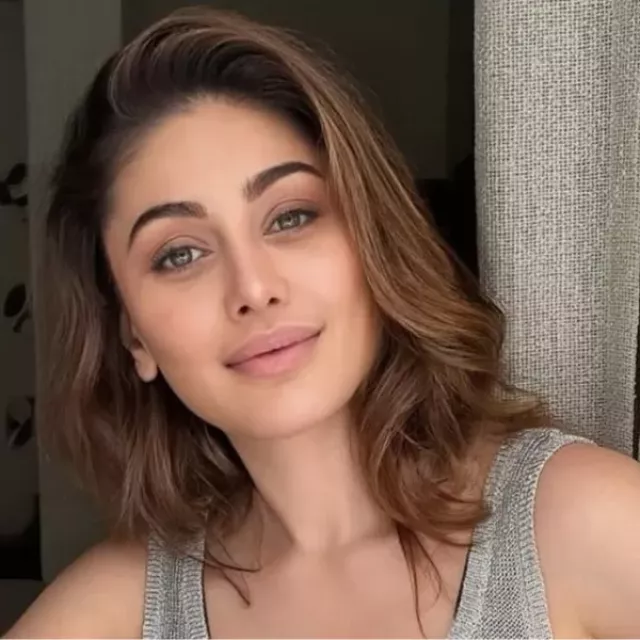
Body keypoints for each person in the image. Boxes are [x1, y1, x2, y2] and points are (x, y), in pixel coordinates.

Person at [7, 8, 640, 639]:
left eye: (291, 217)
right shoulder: (125, 604)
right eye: (180, 254)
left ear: (372, 241)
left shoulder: (578, 527)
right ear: (133, 335)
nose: (254, 288)